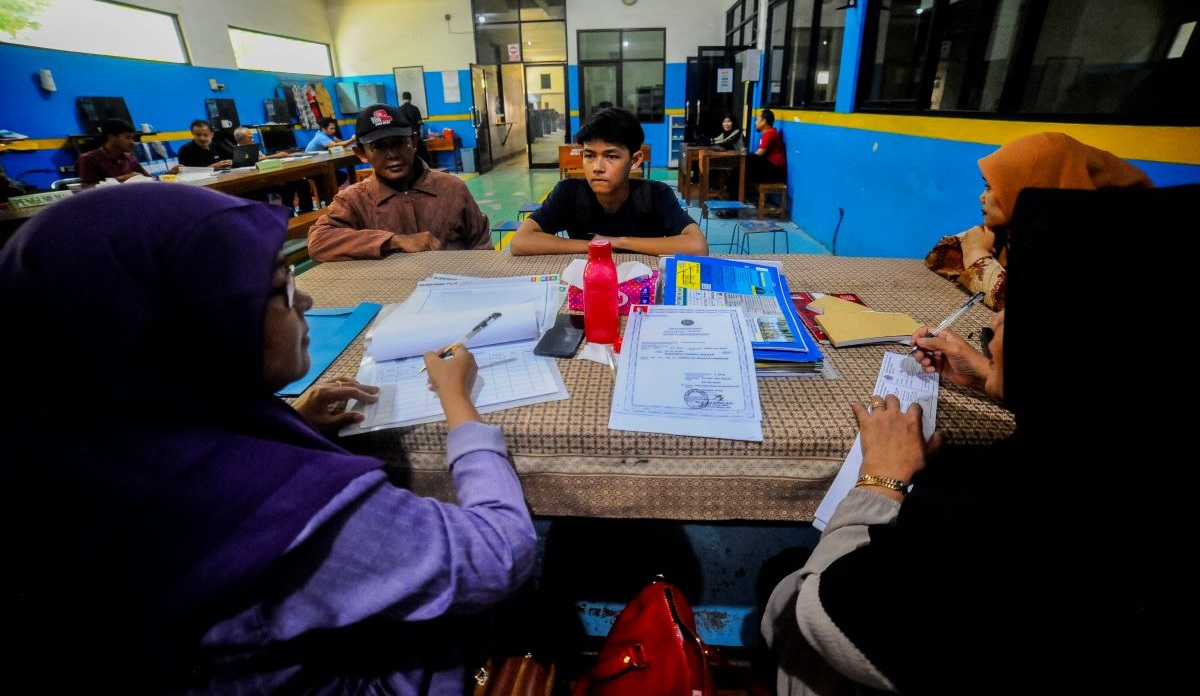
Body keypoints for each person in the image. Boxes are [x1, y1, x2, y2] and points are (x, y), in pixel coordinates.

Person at [0, 183, 538, 693]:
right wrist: (460, 406)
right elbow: (496, 555)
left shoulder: (54, 446)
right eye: (282, 286)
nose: (304, 302)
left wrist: (292, 424)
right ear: (195, 324)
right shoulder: (266, 505)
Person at [758, 195, 1157, 693]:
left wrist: (880, 482)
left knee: (786, 588)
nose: (992, 323)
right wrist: (995, 377)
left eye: (1017, 311)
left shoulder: (1009, 523)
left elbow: (828, 609)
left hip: (854, 623)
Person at [924, 131, 1153, 310]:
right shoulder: (1013, 231)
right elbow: (939, 257)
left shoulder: (1087, 243)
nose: (981, 197)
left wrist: (977, 256)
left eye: (990, 187)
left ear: (1035, 187)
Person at [509, 107, 708, 256]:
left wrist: (618, 242)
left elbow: (697, 246)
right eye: (589, 156)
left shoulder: (655, 195)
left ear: (635, 160)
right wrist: (595, 246)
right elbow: (520, 242)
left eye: (611, 156)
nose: (597, 167)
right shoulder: (569, 193)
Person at [307, 103, 492, 260]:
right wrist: (394, 240)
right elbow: (318, 241)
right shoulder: (354, 200)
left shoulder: (451, 188)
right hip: (388, 294)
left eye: (399, 143)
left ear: (413, 142)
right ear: (361, 154)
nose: (392, 155)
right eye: (378, 147)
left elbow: (482, 245)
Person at [234, 126, 315, 213]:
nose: (253, 139)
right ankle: (288, 215)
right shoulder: (238, 152)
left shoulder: (252, 147)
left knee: (302, 183)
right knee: (286, 188)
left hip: (270, 174)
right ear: (241, 139)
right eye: (249, 137)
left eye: (252, 136)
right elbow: (255, 160)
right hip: (259, 182)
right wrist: (275, 156)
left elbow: (262, 158)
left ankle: (307, 211)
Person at [75, 117, 150, 186]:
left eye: (132, 138)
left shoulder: (129, 157)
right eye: (128, 137)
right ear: (111, 137)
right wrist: (121, 178)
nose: (132, 142)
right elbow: (88, 190)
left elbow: (149, 179)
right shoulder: (89, 159)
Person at [744, 108, 786, 189]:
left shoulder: (769, 134)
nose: (755, 122)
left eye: (757, 120)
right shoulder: (771, 133)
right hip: (775, 170)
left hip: (775, 172)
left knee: (745, 165)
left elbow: (760, 153)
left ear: (764, 121)